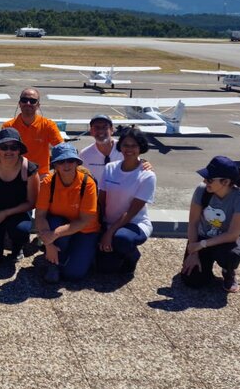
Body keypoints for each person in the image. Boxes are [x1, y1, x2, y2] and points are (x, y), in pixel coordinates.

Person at [181, 156, 240, 293]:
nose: (205, 181)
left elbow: (233, 234)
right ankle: (205, 269)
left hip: (227, 241)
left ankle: (228, 271)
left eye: (210, 179)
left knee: (231, 255)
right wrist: (193, 252)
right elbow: (193, 223)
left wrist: (201, 245)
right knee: (193, 281)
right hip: (203, 236)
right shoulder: (202, 190)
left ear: (225, 182)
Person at [35, 143, 99, 283]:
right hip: (60, 226)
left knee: (74, 275)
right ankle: (53, 262)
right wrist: (49, 244)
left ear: (77, 162)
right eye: (61, 161)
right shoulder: (47, 183)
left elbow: (84, 220)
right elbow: (40, 215)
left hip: (85, 230)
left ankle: (69, 256)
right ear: (55, 165)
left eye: (70, 160)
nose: (66, 165)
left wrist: (53, 235)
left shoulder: (88, 183)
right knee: (53, 221)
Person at [96, 127, 156, 276]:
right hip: (109, 222)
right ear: (120, 146)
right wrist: (98, 225)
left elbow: (131, 212)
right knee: (104, 269)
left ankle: (132, 256)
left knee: (121, 239)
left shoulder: (147, 176)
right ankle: (115, 254)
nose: (129, 149)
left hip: (134, 224)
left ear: (141, 147)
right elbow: (101, 201)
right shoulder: (110, 168)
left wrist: (109, 233)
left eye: (134, 145)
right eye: (125, 145)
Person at [0, 128, 39, 263]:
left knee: (21, 231)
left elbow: (32, 202)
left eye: (14, 147)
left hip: (17, 212)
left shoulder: (29, 170)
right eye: (4, 147)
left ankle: (17, 247)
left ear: (19, 150)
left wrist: (5, 213)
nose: (8, 151)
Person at [0, 88, 64, 176]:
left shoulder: (48, 125)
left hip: (40, 176)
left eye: (32, 101)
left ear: (38, 105)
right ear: (19, 103)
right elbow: (2, 153)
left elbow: (62, 149)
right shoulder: (8, 126)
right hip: (15, 175)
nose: (28, 103)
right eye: (24, 100)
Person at [80, 113, 153, 181]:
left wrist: (145, 164)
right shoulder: (84, 155)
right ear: (91, 131)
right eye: (96, 127)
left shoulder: (124, 148)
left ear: (112, 130)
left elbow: (137, 164)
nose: (101, 131)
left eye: (105, 127)